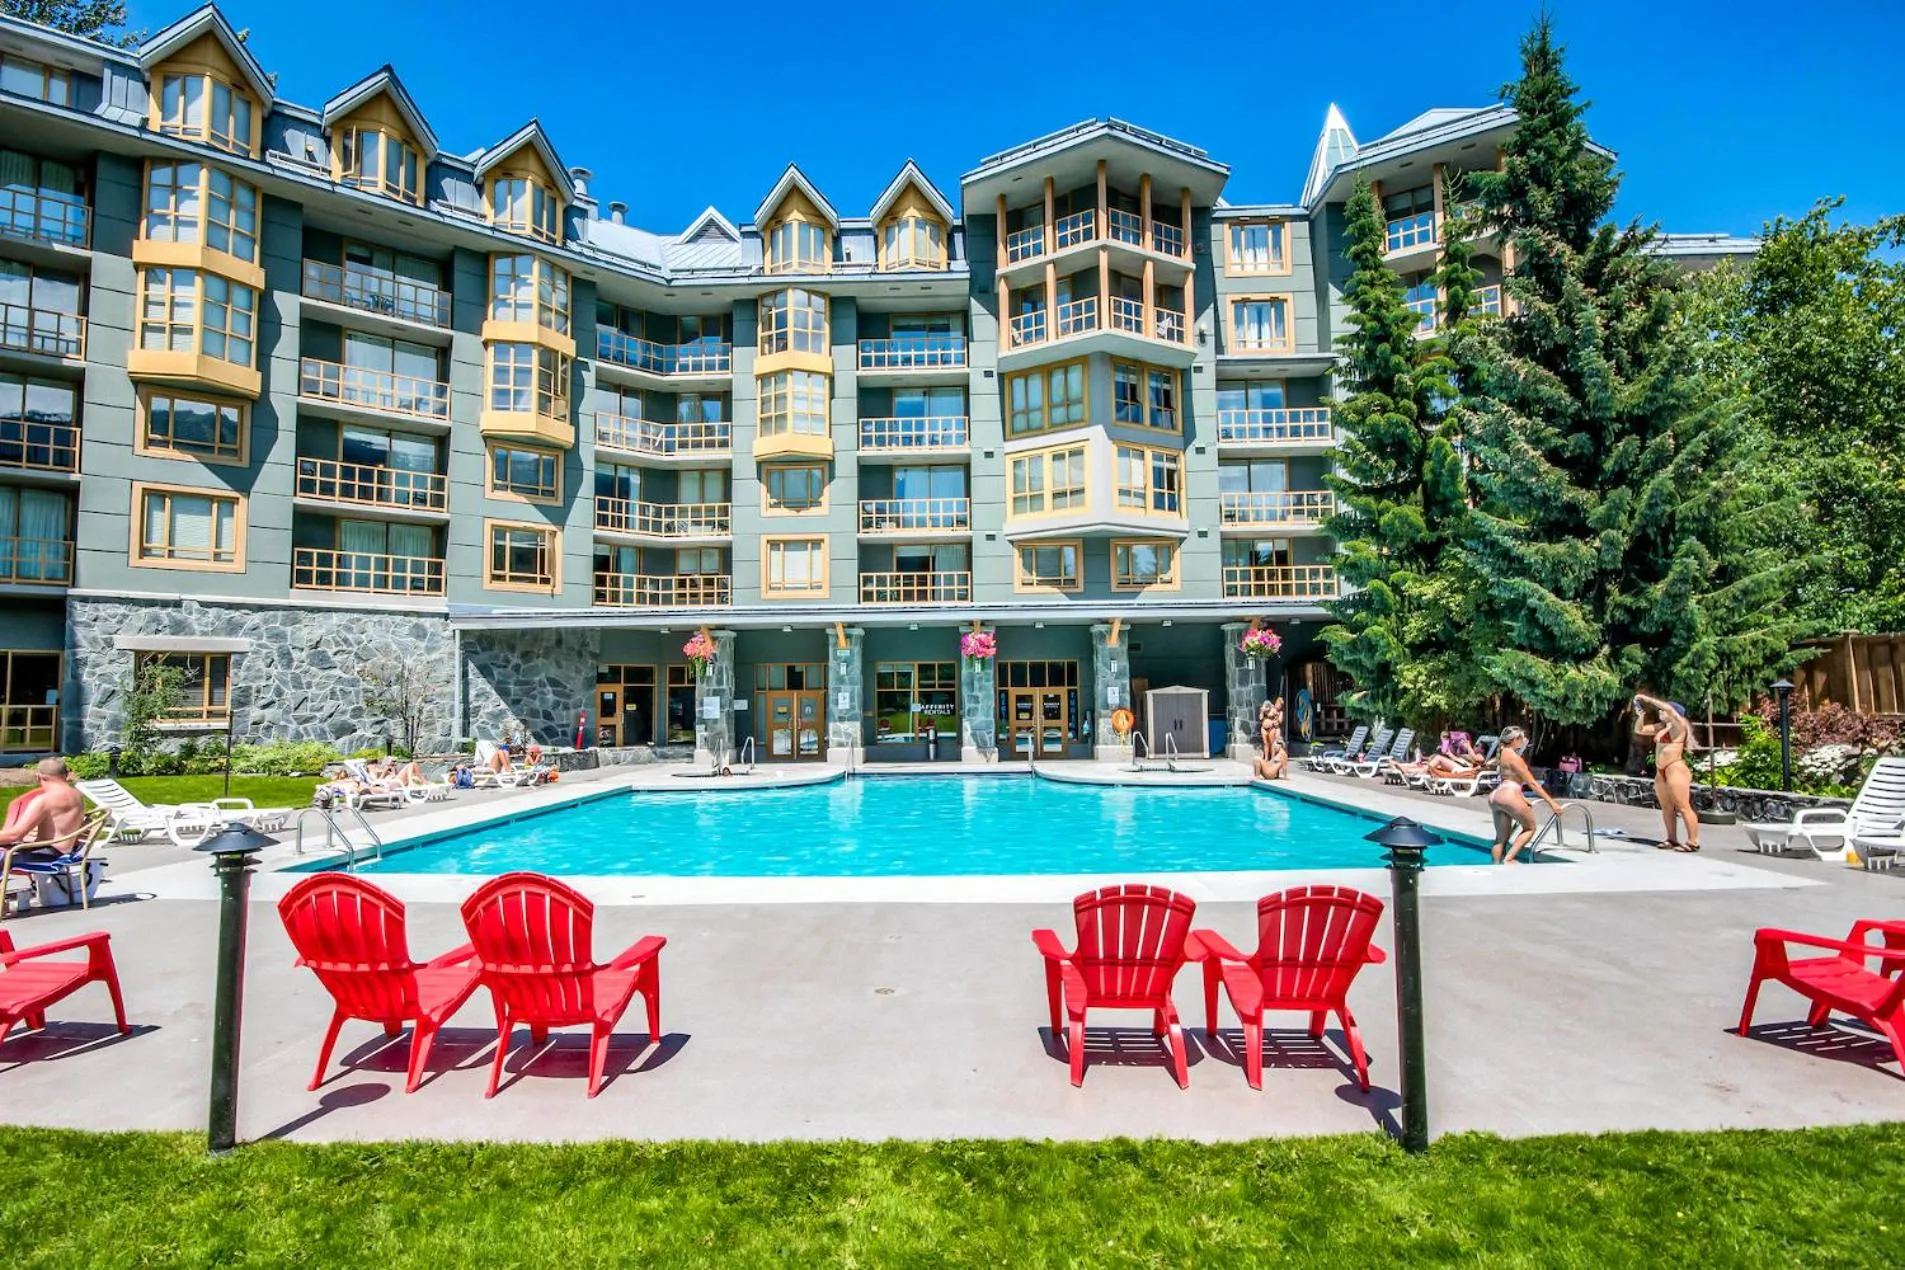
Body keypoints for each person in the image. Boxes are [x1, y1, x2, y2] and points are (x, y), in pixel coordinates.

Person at [1633, 692, 1698, 852]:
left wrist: (1647, 699)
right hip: (1661, 770)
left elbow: (1667, 707)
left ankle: (1693, 841)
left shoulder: (1679, 725)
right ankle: (1672, 838)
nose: (1660, 712)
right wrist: (1641, 715)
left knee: (1683, 806)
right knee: (1666, 807)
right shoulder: (1661, 727)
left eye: (1663, 711)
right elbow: (1639, 730)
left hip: (1675, 768)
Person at [1489, 727, 1562, 865]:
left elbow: (1508, 778)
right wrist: (1552, 803)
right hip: (1509, 795)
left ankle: (1495, 867)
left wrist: (1521, 798)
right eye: (1522, 739)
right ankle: (1509, 859)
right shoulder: (1515, 758)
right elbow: (1533, 784)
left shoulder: (1502, 753)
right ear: (1515, 740)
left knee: (1500, 838)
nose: (1524, 742)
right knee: (1530, 828)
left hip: (1497, 796)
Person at [0, 758, 89, 856]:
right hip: (65, 850)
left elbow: (14, 835)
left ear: (38, 777)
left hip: (46, 854)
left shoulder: (44, 801)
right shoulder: (77, 795)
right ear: (66, 775)